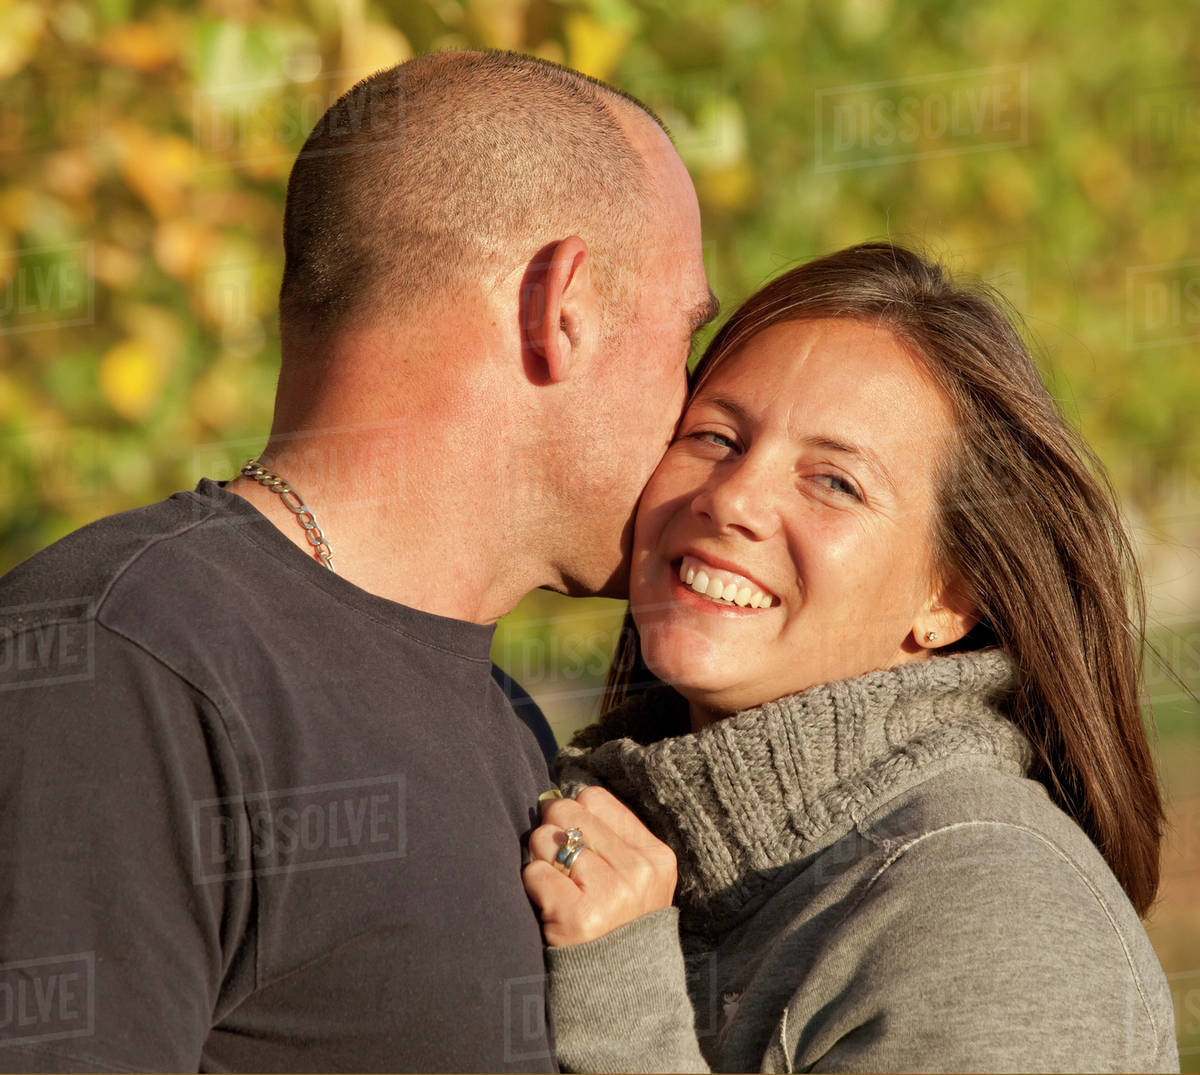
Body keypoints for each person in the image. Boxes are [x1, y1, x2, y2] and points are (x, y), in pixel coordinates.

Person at [0, 51, 714, 1071]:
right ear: (563, 308)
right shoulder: (122, 665)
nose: (692, 403)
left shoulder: (508, 723)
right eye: (684, 334)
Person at [523, 242, 1180, 1073]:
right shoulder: (616, 811)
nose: (732, 499)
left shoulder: (993, 914)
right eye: (716, 435)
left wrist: (622, 1004)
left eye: (835, 482)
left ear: (950, 599)